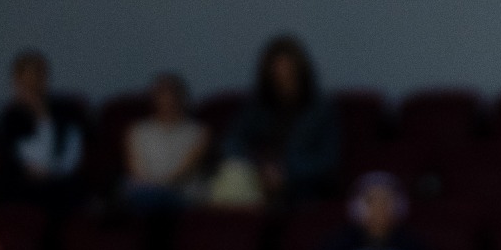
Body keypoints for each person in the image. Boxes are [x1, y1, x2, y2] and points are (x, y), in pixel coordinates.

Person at [223, 35, 341, 205]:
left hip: (302, 186)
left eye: (289, 72)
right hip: (255, 177)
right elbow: (232, 141)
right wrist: (259, 167)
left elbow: (328, 160)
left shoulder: (321, 111)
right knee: (232, 178)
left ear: (300, 72)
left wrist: (286, 171)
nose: (283, 78)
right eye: (277, 73)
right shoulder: (256, 107)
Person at [0, 49, 88, 215]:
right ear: (17, 80)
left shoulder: (66, 110)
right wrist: (40, 117)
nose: (33, 83)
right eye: (27, 76)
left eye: (38, 74)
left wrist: (42, 115)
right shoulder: (11, 117)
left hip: (63, 181)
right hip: (25, 186)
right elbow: (25, 161)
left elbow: (71, 152)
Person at [124, 72, 212, 210]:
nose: (167, 101)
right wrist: (149, 188)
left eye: (172, 94)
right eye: (161, 95)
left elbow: (185, 171)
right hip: (144, 192)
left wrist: (158, 188)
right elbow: (136, 168)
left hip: (182, 193)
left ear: (182, 98)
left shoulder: (198, 132)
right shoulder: (138, 130)